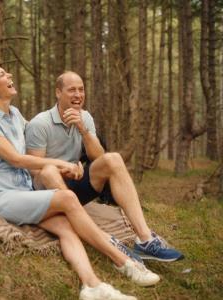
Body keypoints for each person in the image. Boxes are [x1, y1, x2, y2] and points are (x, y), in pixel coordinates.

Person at [0, 64, 160, 300]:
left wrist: (70, 165)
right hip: (1, 195)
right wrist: (60, 164)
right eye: (2, 75)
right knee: (66, 198)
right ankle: (124, 261)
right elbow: (15, 159)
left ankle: (92, 286)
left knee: (66, 228)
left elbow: (38, 148)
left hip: (25, 192)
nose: (9, 75)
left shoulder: (15, 115)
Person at [25, 71, 184, 262]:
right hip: (49, 192)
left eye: (81, 90)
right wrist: (64, 168)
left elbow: (99, 158)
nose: (78, 95)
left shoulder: (86, 117)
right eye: (72, 90)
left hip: (75, 185)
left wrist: (83, 130)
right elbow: (34, 169)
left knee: (113, 159)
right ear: (58, 93)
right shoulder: (40, 124)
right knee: (49, 171)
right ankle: (98, 236)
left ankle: (145, 240)